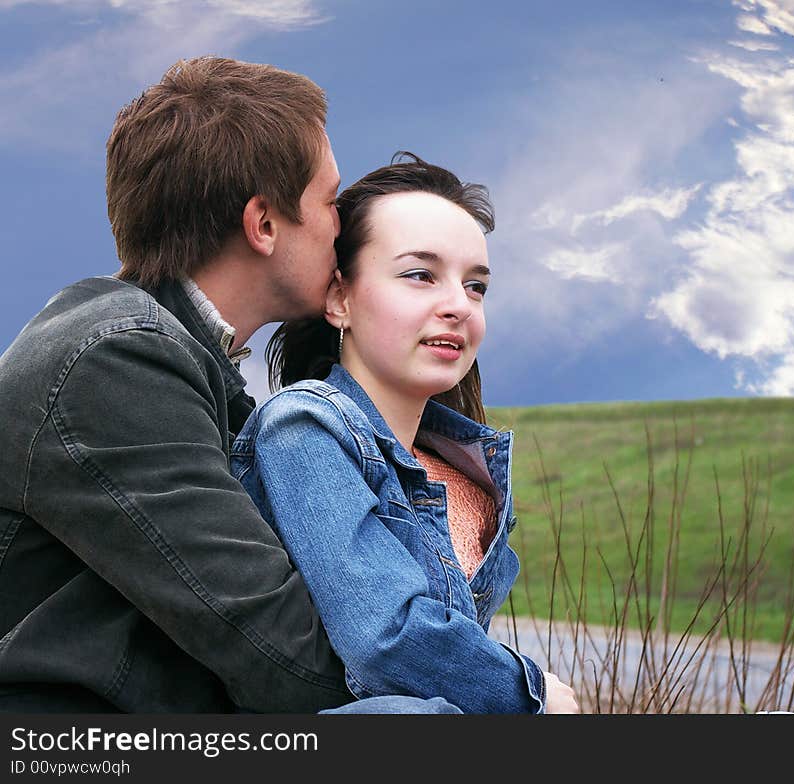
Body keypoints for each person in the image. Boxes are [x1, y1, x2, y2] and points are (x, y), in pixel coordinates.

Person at [0, 57, 459, 714]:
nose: (343, 226)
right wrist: (492, 691)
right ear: (264, 224)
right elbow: (285, 657)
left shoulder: (195, 369)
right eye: (331, 201)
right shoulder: (115, 361)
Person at [231, 154, 580, 713]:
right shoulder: (304, 425)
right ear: (340, 298)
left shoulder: (469, 478)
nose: (457, 307)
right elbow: (385, 639)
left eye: (476, 287)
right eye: (420, 275)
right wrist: (531, 694)